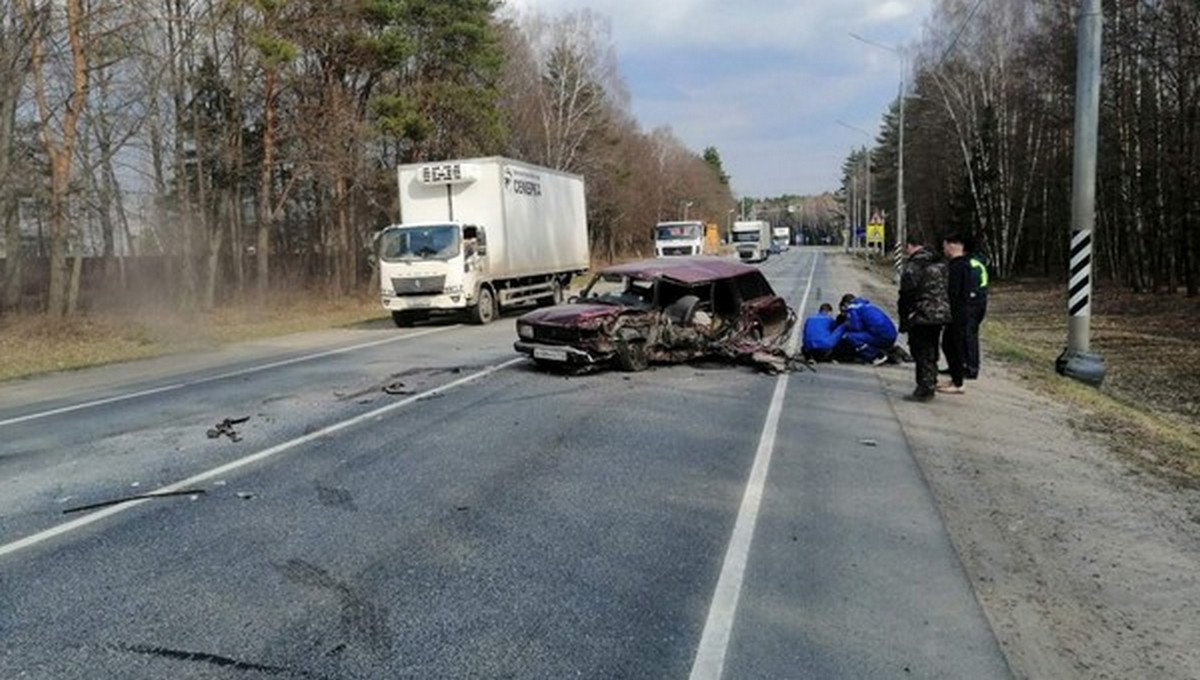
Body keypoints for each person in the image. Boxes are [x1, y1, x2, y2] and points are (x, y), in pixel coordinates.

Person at [898, 236, 951, 401]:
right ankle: (931, 381)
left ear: (909, 246)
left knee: (920, 351)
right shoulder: (940, 263)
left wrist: (905, 318)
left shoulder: (912, 267)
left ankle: (924, 389)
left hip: (921, 314)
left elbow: (906, 294)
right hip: (941, 313)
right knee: (931, 349)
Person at [940, 234, 970, 394]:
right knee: (949, 345)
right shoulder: (963, 264)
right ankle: (955, 378)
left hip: (957, 313)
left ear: (952, 246)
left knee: (953, 346)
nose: (943, 250)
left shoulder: (957, 267)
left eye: (945, 246)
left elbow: (953, 292)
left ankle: (958, 383)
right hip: (959, 312)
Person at [838, 294, 898, 364]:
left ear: (845, 304)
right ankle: (884, 352)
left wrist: (847, 324)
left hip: (881, 336)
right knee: (867, 336)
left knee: (848, 336)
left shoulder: (852, 308)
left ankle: (876, 356)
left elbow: (856, 328)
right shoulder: (867, 305)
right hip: (892, 335)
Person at [965, 246, 989, 379]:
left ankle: (971, 367)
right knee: (970, 335)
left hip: (973, 304)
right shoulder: (978, 263)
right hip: (980, 302)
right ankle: (967, 364)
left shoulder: (971, 265)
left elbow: (970, 287)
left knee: (969, 336)